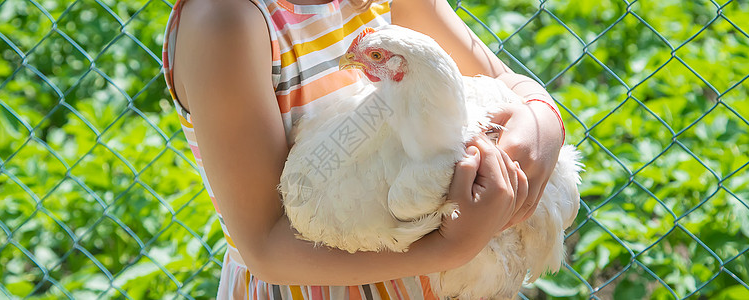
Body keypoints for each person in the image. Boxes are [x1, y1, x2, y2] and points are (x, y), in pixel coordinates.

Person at [161, 0, 565, 297]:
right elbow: (265, 248)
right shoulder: (225, 22)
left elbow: (507, 83)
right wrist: (450, 249)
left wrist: (542, 122)